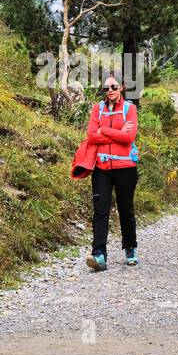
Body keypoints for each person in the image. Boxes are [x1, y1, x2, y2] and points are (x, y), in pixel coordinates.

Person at [77, 74, 138, 271]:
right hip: (101, 168)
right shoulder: (98, 109)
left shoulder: (130, 108)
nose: (110, 90)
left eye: (113, 86)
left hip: (126, 168)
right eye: (106, 88)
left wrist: (104, 130)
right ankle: (99, 254)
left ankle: (130, 248)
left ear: (121, 87)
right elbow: (91, 137)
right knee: (100, 210)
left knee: (125, 209)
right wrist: (117, 132)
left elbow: (129, 137)